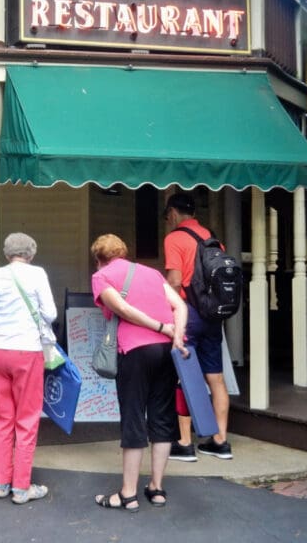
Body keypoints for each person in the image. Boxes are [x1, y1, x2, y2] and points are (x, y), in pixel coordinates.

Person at [91, 233, 187, 512]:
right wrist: (175, 335)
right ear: (123, 252)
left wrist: (158, 327)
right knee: (162, 416)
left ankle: (128, 494)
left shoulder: (102, 276)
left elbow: (121, 308)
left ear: (99, 259)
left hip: (134, 352)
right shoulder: (151, 273)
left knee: (133, 416)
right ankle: (156, 488)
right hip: (166, 352)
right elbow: (180, 306)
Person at [0, 232, 57, 505]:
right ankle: (22, 488)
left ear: (6, 253)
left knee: (1, 418)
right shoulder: (37, 274)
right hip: (27, 350)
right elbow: (50, 314)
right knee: (26, 419)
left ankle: (1, 483)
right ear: (31, 253)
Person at [163, 192, 233, 460]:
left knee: (185, 374)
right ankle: (220, 441)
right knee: (215, 377)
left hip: (188, 312)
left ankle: (184, 442)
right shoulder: (213, 239)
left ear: (172, 213)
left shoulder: (175, 238)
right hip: (212, 314)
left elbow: (175, 281)